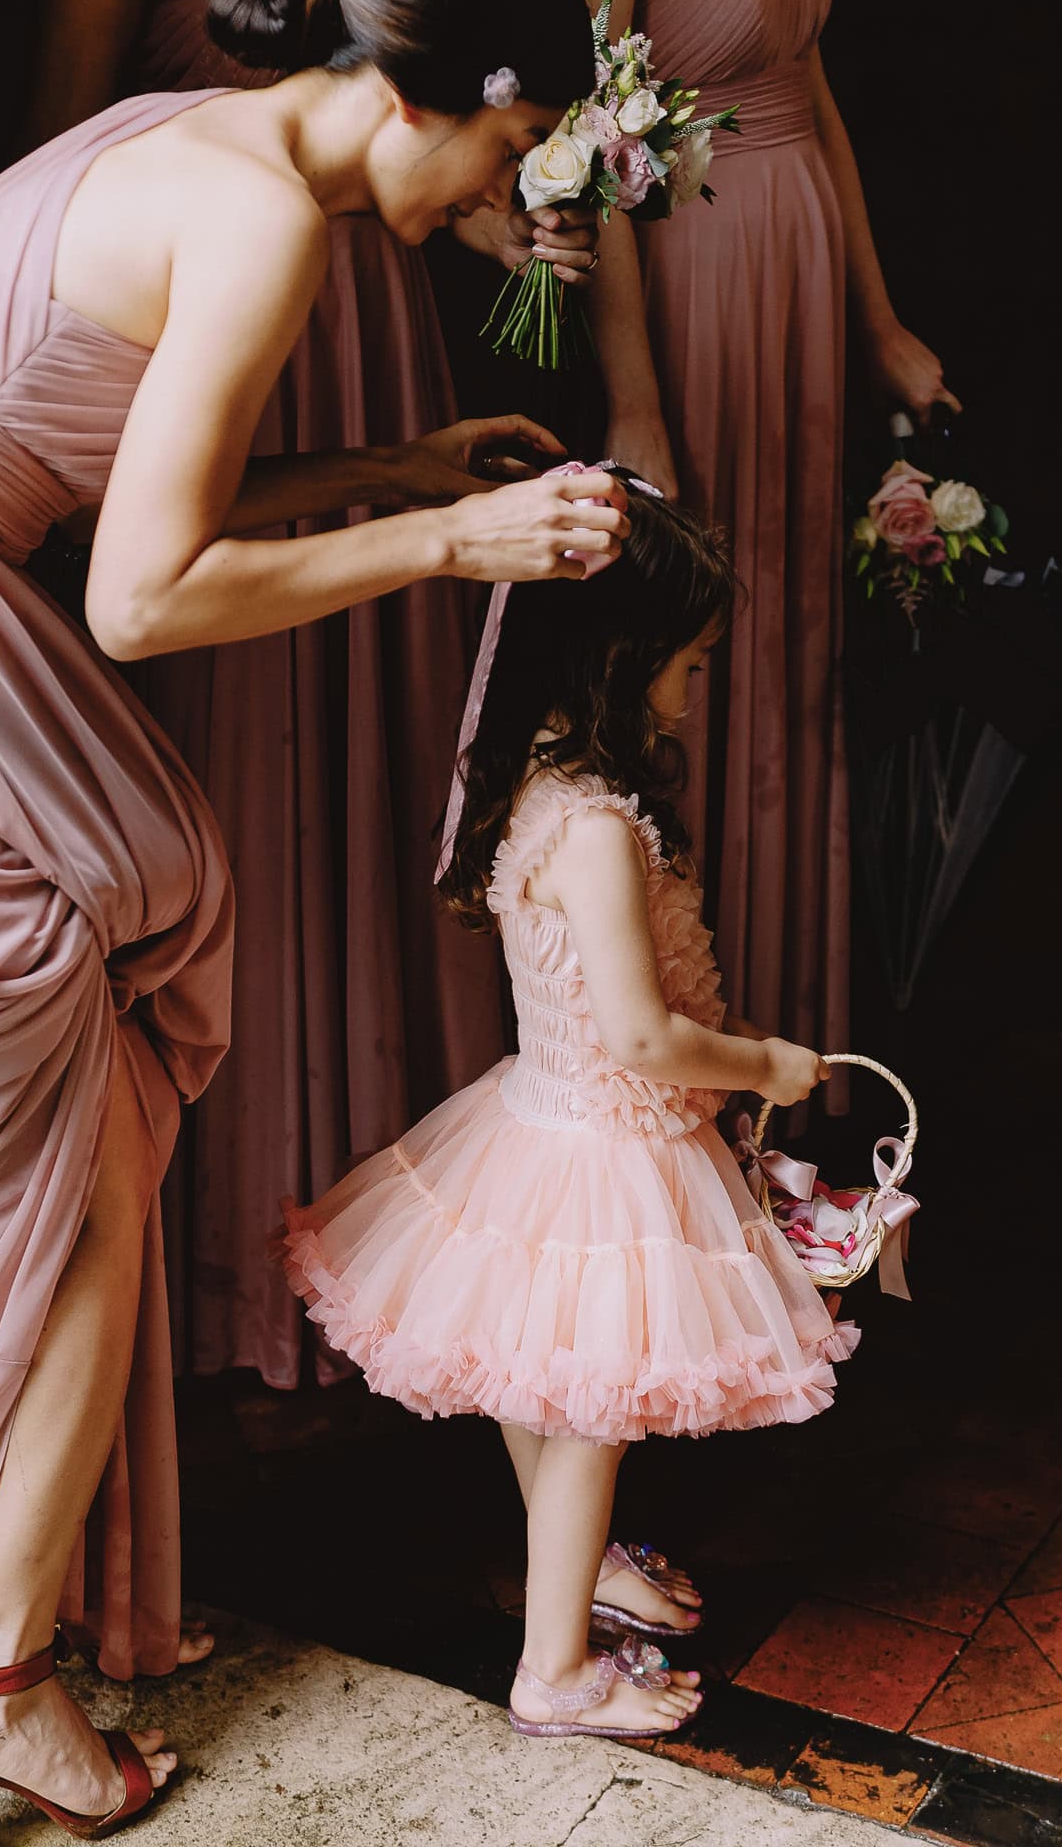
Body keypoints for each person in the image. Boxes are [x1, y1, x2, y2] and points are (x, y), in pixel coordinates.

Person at [0, 0, 624, 1842]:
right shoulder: (263, 216)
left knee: (79, 1144)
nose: (498, 192)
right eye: (507, 146)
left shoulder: (195, 134)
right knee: (67, 1161)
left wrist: (389, 469)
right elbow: (139, 595)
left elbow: (113, 492)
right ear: (436, 95)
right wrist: (455, 545)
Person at [28, 0, 600, 1389]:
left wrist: (504, 231)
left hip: (374, 341)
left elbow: (430, 129)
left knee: (389, 779)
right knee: (241, 796)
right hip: (205, 361)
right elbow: (54, 161)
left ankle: (397, 1248)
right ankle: (238, 1265)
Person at [279, 488, 855, 1739]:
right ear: (621, 656)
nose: (694, 687)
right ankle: (554, 1671)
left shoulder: (541, 777)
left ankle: (577, 1557)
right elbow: (642, 1034)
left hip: (538, 1117)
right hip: (605, 1138)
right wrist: (766, 1064)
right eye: (688, 661)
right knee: (590, 1404)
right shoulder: (593, 828)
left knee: (536, 1363)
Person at [542, 0, 960, 1065]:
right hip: (700, 287)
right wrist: (634, 399)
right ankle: (699, 1041)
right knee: (704, 640)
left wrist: (878, 320)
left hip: (799, 281)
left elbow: (812, 99)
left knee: (795, 638)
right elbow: (587, 140)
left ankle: (796, 1025)